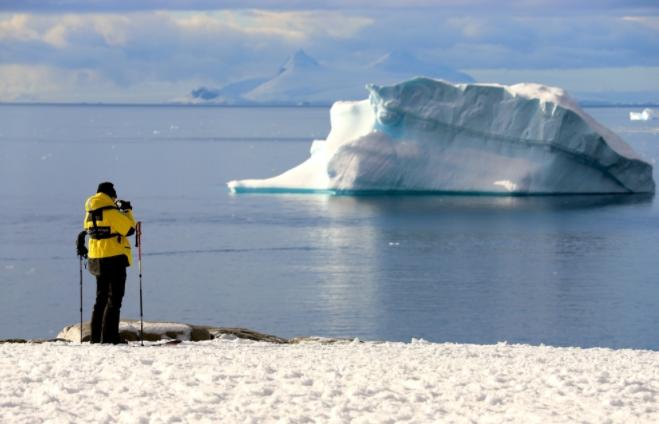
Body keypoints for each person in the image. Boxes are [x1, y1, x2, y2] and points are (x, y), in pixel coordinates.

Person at [83, 182, 136, 344]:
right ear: (110, 196)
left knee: (100, 299)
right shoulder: (111, 212)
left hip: (96, 258)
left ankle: (95, 337)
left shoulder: (90, 213)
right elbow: (130, 230)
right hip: (114, 258)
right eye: (114, 197)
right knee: (115, 300)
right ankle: (110, 337)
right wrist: (127, 211)